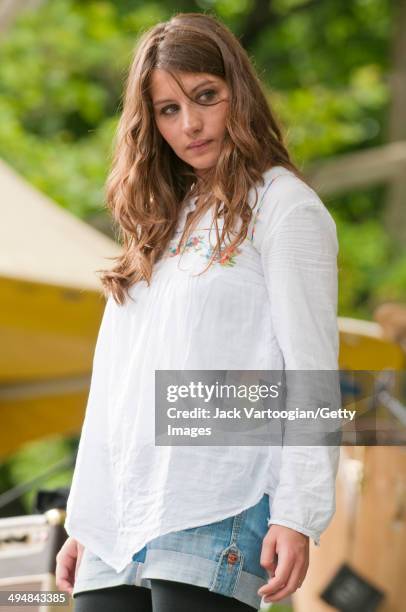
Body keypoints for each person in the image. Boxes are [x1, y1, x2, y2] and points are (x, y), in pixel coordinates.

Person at [55, 11, 341, 612]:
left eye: (205, 97)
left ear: (238, 90)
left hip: (217, 500)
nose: (191, 124)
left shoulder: (285, 207)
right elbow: (115, 383)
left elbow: (311, 370)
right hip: (119, 514)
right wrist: (86, 513)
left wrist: (298, 513)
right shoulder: (161, 218)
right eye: (168, 109)